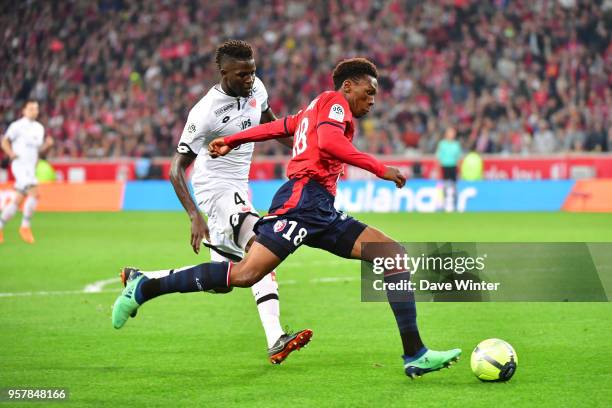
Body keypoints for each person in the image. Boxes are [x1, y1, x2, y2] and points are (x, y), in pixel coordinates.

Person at [112, 58, 461, 378]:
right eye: (368, 92)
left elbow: (279, 127)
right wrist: (379, 168)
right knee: (247, 273)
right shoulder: (335, 104)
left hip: (321, 209)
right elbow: (327, 142)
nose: (372, 100)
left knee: (391, 253)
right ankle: (146, 286)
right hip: (301, 202)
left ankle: (414, 354)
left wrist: (233, 139)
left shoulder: (315, 109)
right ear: (348, 86)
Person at [119, 40, 312, 364]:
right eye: (242, 74)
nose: (249, 79)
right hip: (214, 188)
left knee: (223, 280)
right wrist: (194, 214)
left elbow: (272, 125)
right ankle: (276, 339)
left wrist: (306, 145)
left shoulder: (256, 88)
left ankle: (145, 280)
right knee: (262, 248)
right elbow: (176, 168)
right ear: (223, 73)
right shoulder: (205, 112)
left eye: (252, 72)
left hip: (238, 188)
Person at [0, 100, 53, 244]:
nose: (34, 111)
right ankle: (25, 226)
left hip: (30, 168)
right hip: (20, 166)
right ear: (23, 110)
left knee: (17, 200)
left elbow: (38, 151)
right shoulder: (17, 126)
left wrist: (47, 146)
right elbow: (4, 141)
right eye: (30, 108)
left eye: (36, 108)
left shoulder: (39, 128)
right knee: (35, 194)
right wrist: (10, 153)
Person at [435, 127, 462, 212]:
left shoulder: (456, 144)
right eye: (450, 133)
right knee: (445, 186)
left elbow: (458, 158)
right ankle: (443, 204)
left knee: (454, 186)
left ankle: (455, 205)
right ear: (446, 134)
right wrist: (437, 170)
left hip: (453, 167)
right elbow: (438, 158)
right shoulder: (442, 144)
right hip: (445, 167)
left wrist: (459, 170)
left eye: (453, 133)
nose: (452, 134)